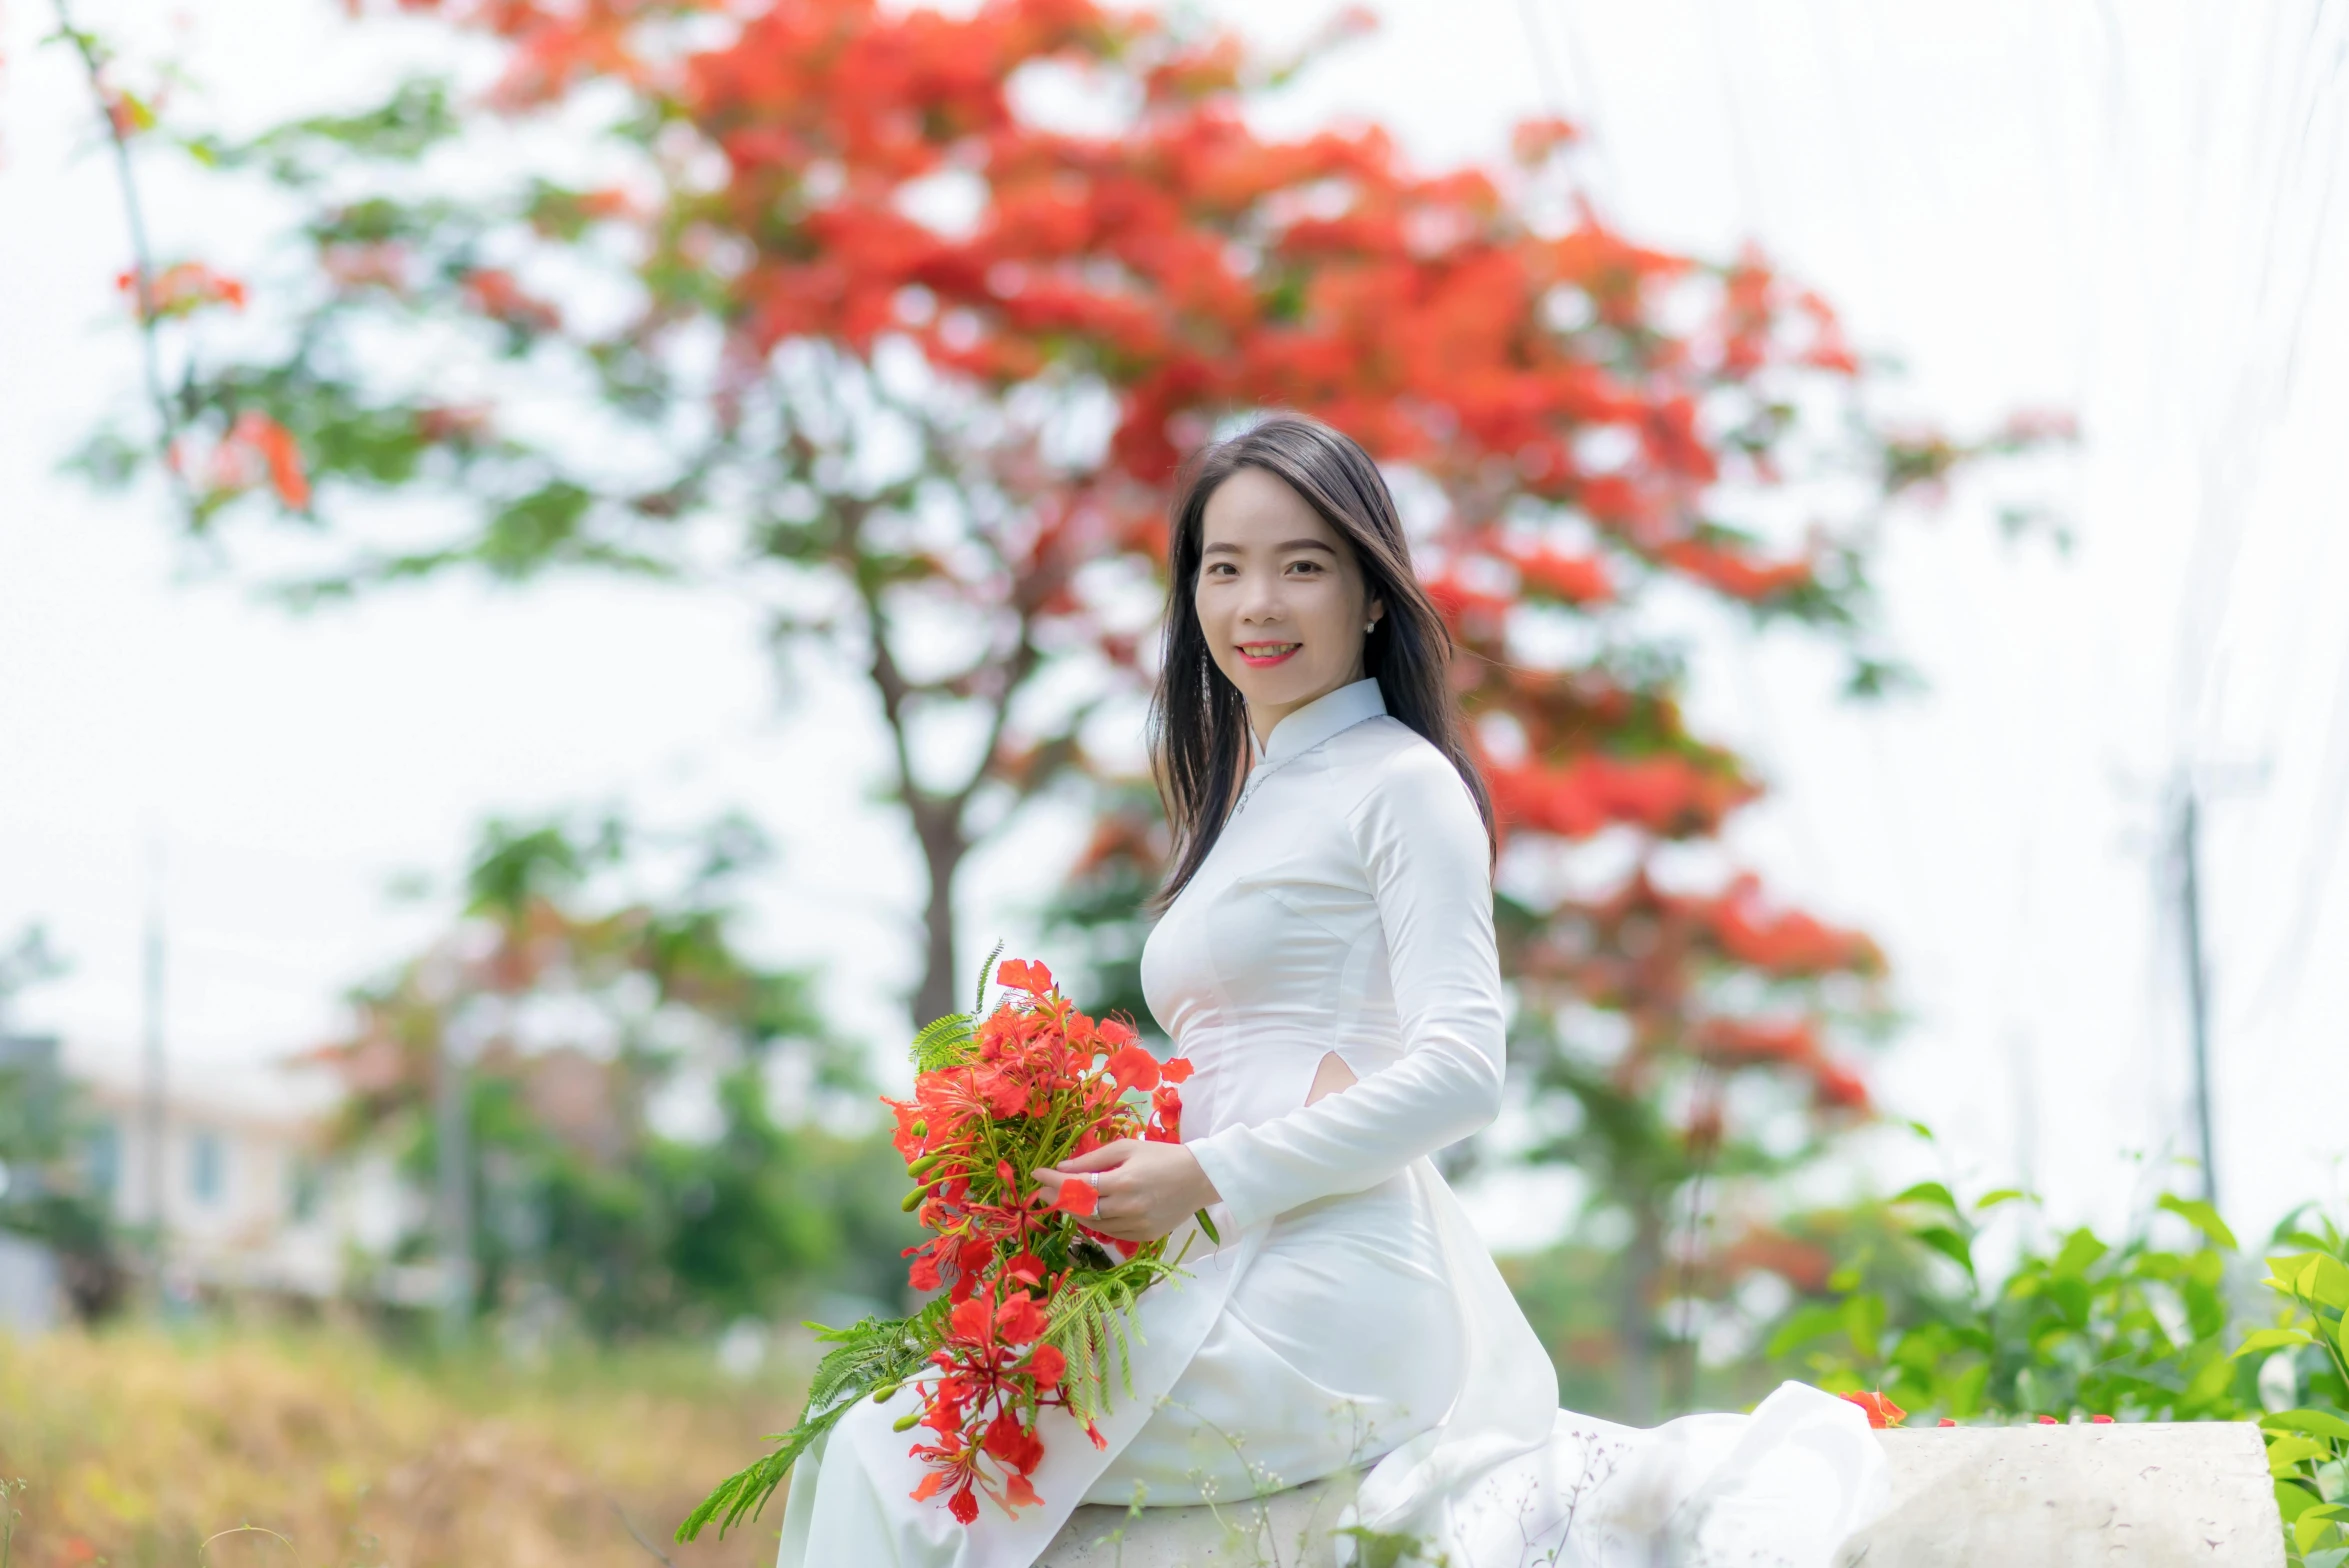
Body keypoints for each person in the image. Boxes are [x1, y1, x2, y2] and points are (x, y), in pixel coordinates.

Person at [776, 413, 1889, 1567]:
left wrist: (1203, 1177)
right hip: (1219, 1269)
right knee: (893, 1445)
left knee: (886, 1446)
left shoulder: (1401, 783)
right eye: (1225, 567)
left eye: (1302, 565)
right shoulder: (1246, 803)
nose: (1258, 601)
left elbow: (1463, 1070)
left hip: (1331, 1287)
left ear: (1370, 595)